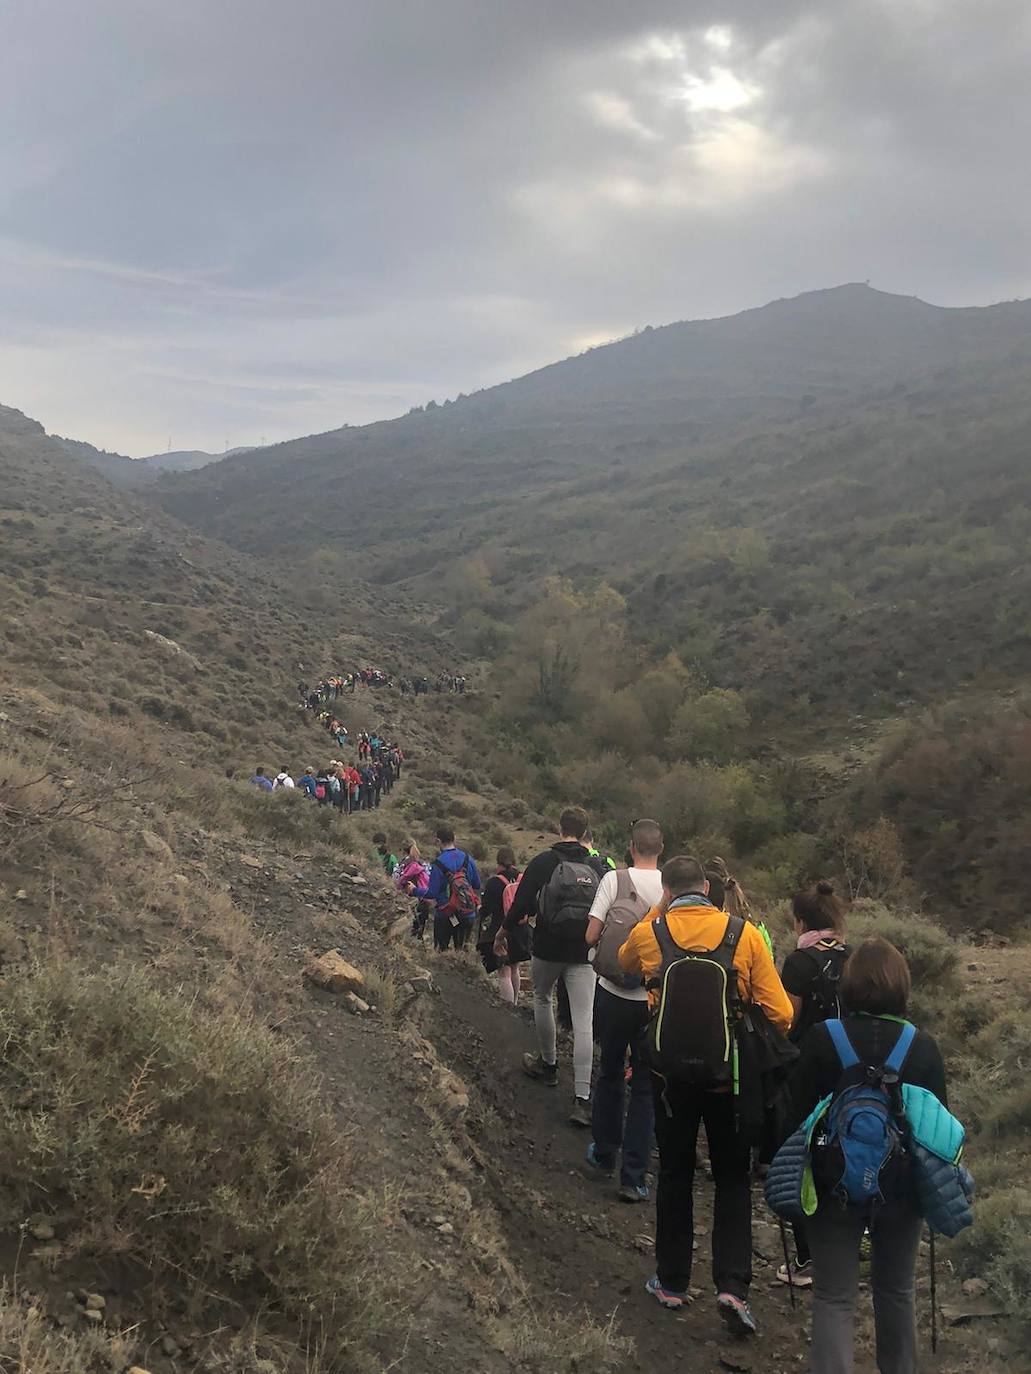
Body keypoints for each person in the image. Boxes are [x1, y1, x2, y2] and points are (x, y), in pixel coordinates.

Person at [618, 854, 793, 1336]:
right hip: (730, 1079)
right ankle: (733, 1287)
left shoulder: (651, 933)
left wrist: (659, 915)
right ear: (709, 890)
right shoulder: (746, 936)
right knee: (732, 1179)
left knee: (674, 1173)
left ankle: (672, 1283)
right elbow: (781, 1015)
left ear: (670, 892)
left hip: (669, 1078)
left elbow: (622, 963)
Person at [789, 938, 947, 1374]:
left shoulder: (823, 1040)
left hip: (831, 1186)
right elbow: (938, 1133)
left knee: (833, 1296)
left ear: (849, 986)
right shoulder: (923, 1047)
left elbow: (793, 1116)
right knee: (896, 1290)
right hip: (901, 1190)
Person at [503, 806, 607, 1128]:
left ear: (559, 827)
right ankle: (582, 1098)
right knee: (584, 1020)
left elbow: (521, 904)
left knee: (543, 998)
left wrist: (504, 930)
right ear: (585, 830)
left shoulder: (544, 861)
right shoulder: (597, 866)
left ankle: (548, 1066)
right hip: (583, 952)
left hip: (547, 947)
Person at [583, 819, 664, 1202]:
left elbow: (591, 935)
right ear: (659, 850)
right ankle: (634, 1177)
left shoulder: (614, 881)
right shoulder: (670, 888)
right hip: (653, 1002)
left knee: (611, 1071)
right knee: (646, 1088)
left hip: (612, 993)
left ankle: (603, 1152)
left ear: (631, 847)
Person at [776, 879, 853, 1287]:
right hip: (853, 1068)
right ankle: (847, 1241)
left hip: (807, 1066)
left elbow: (788, 1018)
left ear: (801, 920)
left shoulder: (798, 963)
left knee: (802, 1157)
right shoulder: (852, 958)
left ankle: (806, 1258)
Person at [417, 825, 482, 952]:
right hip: (467, 913)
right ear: (454, 839)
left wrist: (414, 890)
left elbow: (431, 893)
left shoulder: (438, 863)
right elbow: (477, 885)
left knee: (441, 951)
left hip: (445, 913)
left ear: (438, 841)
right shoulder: (468, 859)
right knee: (463, 950)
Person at [478, 846, 528, 1004]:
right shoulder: (523, 878)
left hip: (501, 930)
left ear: (498, 862)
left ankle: (508, 1008)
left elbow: (485, 910)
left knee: (504, 972)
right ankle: (515, 1002)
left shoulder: (494, 882)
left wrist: (480, 909)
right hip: (521, 929)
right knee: (515, 968)